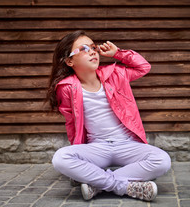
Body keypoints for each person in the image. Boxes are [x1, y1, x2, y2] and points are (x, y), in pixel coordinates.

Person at [46, 30, 171, 201]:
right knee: (60, 158)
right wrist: (78, 154)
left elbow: (144, 67)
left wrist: (118, 53)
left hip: (127, 144)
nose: (92, 51)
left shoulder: (116, 73)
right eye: (83, 49)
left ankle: (97, 183)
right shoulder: (66, 87)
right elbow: (71, 124)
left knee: (162, 160)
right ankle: (124, 186)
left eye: (93, 47)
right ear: (69, 60)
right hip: (97, 148)